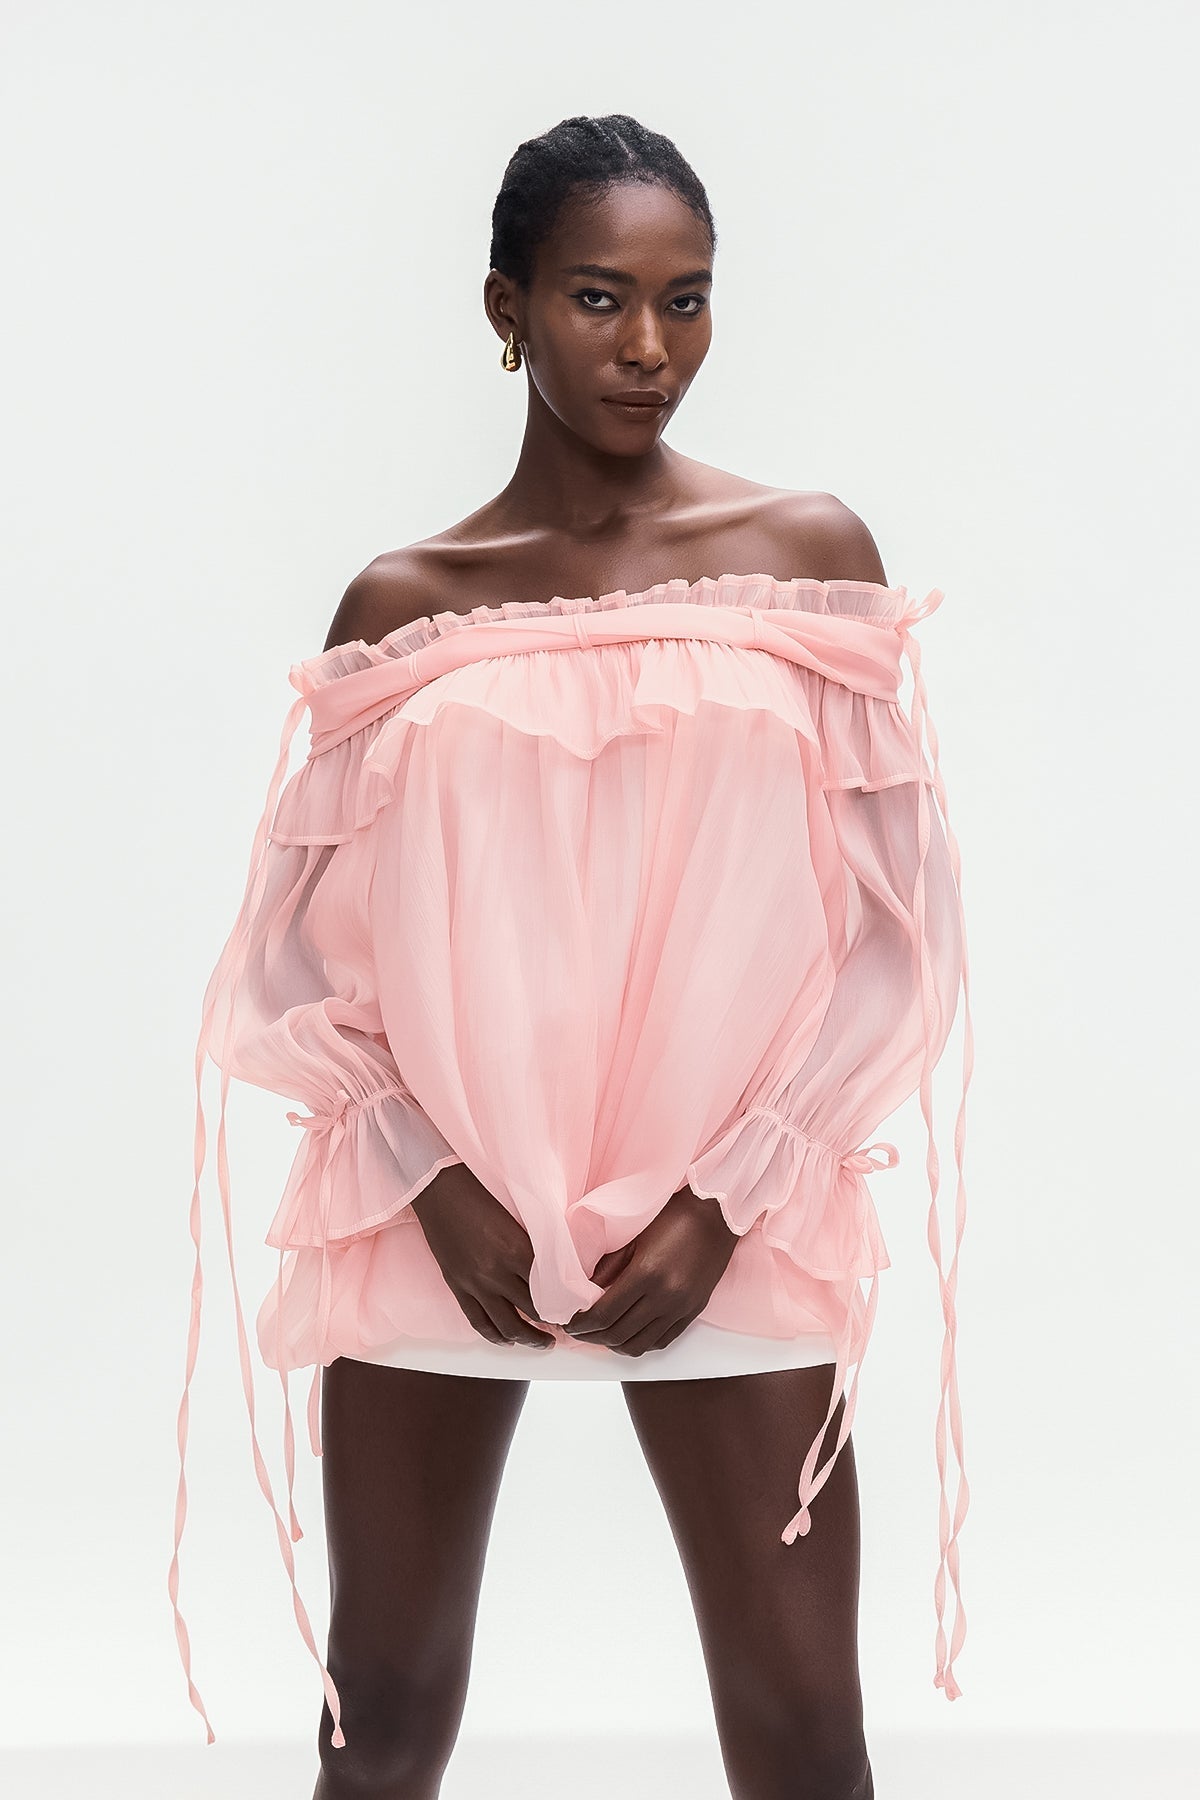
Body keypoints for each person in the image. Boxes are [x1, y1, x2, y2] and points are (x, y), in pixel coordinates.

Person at [168, 113, 974, 1800]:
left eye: (687, 299)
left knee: (803, 1733)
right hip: (445, 1226)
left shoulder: (810, 560)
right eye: (600, 298)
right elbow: (295, 957)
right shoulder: (405, 602)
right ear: (507, 307)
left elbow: (898, 938)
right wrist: (428, 1177)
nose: (648, 346)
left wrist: (730, 1196)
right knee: (382, 1720)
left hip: (724, 1226)